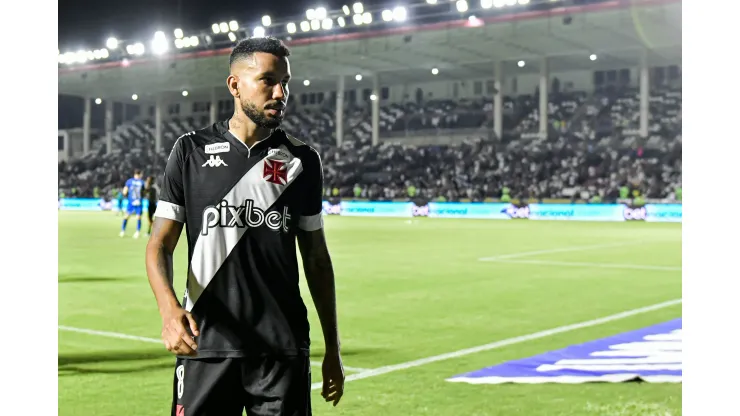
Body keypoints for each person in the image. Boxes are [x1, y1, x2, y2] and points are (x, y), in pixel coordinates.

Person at [145, 37, 344, 416]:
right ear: (234, 85)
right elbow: (159, 245)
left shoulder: (301, 160)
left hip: (281, 350)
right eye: (268, 80)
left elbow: (317, 260)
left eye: (286, 82)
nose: (281, 92)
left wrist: (332, 349)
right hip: (205, 344)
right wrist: (169, 311)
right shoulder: (190, 151)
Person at [120, 169, 145, 238]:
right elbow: (144, 192)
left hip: (131, 202)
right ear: (139, 174)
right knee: (138, 217)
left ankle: (122, 231)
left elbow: (125, 191)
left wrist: (126, 195)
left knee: (126, 216)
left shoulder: (129, 181)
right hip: (139, 202)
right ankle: (137, 232)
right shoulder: (142, 182)